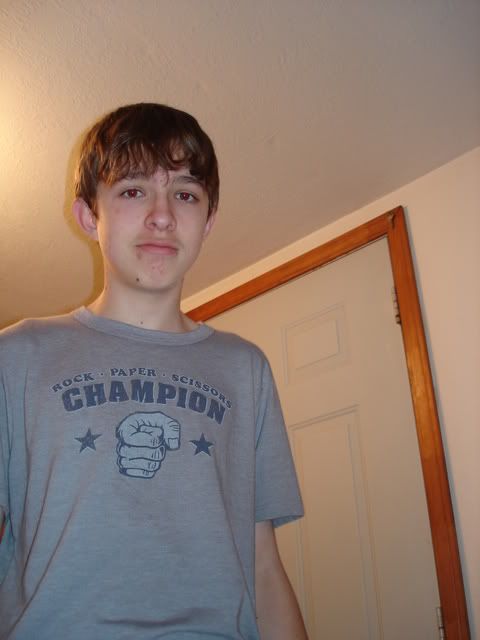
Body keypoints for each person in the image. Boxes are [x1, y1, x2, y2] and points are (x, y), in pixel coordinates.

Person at [0, 103, 307, 639]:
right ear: (88, 216)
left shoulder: (246, 370)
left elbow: (263, 564)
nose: (162, 215)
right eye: (133, 190)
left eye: (185, 194)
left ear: (208, 221)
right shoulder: (17, 356)